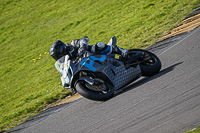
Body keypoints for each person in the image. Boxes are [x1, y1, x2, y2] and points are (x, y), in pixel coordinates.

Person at [49, 36, 128, 89]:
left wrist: (82, 47)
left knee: (98, 46)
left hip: (92, 55)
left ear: (62, 49)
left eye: (58, 54)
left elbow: (85, 38)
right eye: (56, 57)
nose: (58, 57)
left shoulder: (73, 44)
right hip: (87, 67)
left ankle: (121, 51)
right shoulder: (65, 63)